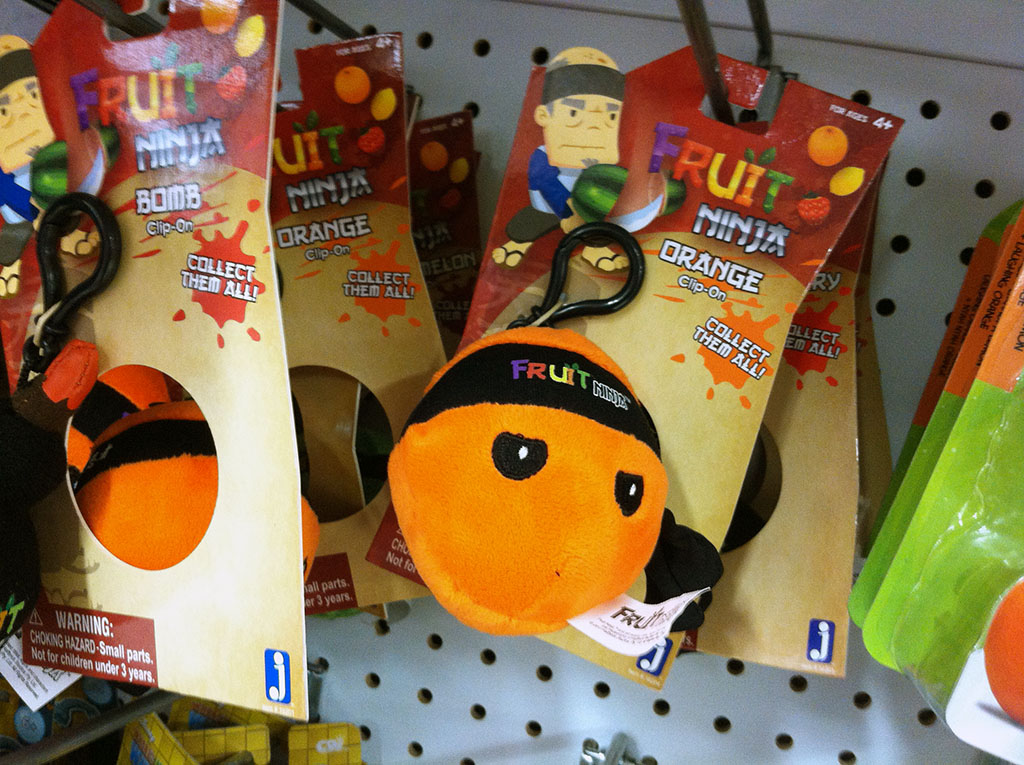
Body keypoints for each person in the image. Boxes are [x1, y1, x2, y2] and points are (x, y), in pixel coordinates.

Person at [491, 47, 635, 273]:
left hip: (583, 210)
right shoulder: (542, 155)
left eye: (611, 116)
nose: (594, 127)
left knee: (596, 227)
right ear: (543, 116)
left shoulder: (595, 160)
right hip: (548, 208)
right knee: (527, 223)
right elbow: (545, 182)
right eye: (574, 114)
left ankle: (595, 249)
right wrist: (567, 211)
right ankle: (518, 243)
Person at [0, 35, 54, 298]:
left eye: (33, 95)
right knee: (13, 234)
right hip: (19, 212)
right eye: (3, 111)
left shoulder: (53, 148)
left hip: (53, 204)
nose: (22, 112)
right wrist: (31, 208)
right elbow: (6, 192)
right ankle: (11, 266)